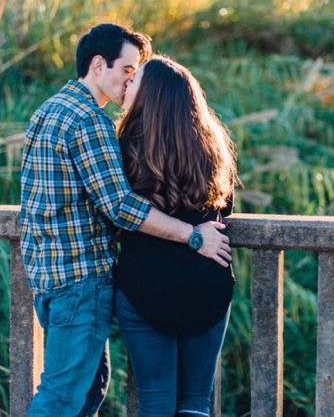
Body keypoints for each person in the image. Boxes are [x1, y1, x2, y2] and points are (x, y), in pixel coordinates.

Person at [19, 24, 233, 417]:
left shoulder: (47, 111)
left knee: (88, 392)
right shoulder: (90, 122)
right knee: (62, 398)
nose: (131, 80)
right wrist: (193, 236)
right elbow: (120, 206)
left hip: (49, 277)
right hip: (80, 282)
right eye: (127, 70)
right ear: (98, 66)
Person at [115, 56, 238, 417]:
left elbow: (116, 212)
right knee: (196, 403)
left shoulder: (124, 149)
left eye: (134, 80)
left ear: (149, 95)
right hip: (205, 281)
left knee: (156, 400)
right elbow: (225, 209)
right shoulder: (212, 151)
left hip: (144, 286)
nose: (127, 84)